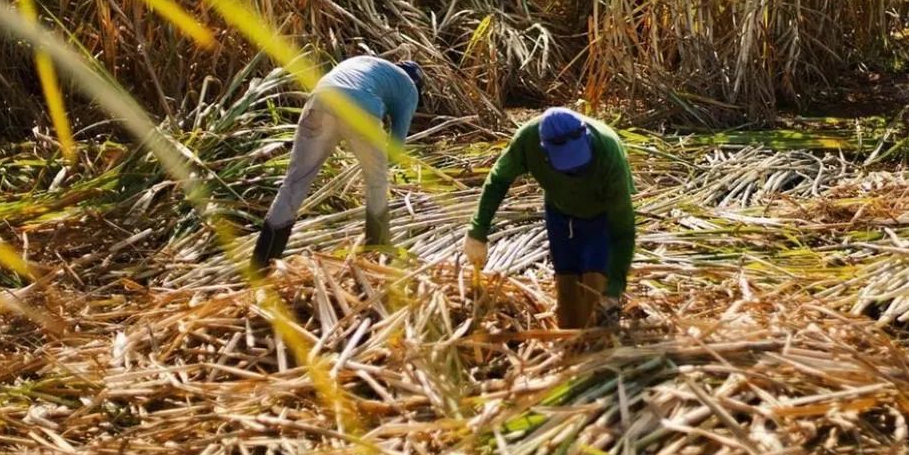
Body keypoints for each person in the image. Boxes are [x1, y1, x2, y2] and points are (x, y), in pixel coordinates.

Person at [462, 107, 636, 329]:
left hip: (601, 213)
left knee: (597, 279)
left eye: (580, 165)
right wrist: (478, 231)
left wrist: (614, 289)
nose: (575, 172)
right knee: (566, 276)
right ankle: (571, 341)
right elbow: (498, 180)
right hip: (559, 210)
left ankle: (600, 344)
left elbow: (623, 229)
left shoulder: (608, 150)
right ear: (545, 152)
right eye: (568, 168)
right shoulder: (528, 141)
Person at [251, 55, 423, 271]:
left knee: (294, 183)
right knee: (377, 182)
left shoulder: (366, 63)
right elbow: (396, 147)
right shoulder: (409, 88)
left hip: (319, 100)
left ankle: (261, 263)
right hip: (361, 109)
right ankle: (376, 256)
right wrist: (375, 158)